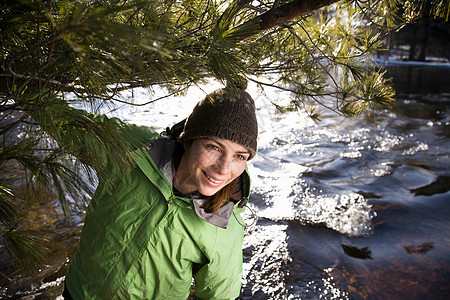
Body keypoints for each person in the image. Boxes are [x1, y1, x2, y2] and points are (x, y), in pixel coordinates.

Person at [58, 86, 258, 299]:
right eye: (214, 147)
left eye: (240, 156)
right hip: (77, 292)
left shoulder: (226, 222)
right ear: (189, 140)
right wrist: (25, 86)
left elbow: (220, 296)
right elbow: (66, 122)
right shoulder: (135, 149)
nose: (224, 169)